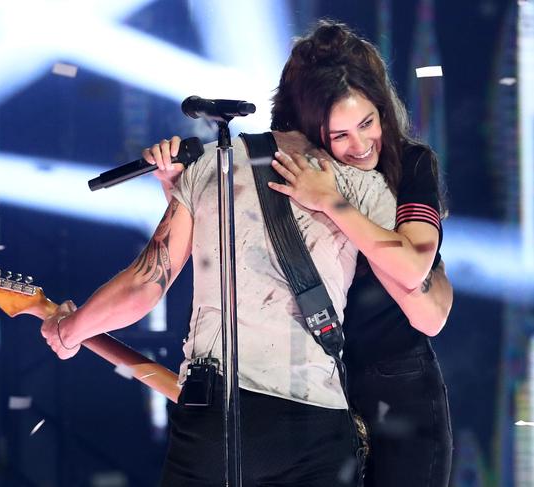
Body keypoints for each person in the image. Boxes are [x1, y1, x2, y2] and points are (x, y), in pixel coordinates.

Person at [40, 37, 405, 485]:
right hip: (314, 421)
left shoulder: (213, 165)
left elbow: (144, 285)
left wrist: (70, 328)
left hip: (214, 417)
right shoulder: (362, 186)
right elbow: (416, 284)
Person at [146, 19, 453, 487]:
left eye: (368, 123)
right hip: (313, 387)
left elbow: (418, 277)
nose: (359, 146)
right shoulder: (292, 163)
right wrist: (179, 190)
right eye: (340, 134)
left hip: (397, 384)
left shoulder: (410, 164)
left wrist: (330, 200)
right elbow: (251, 257)